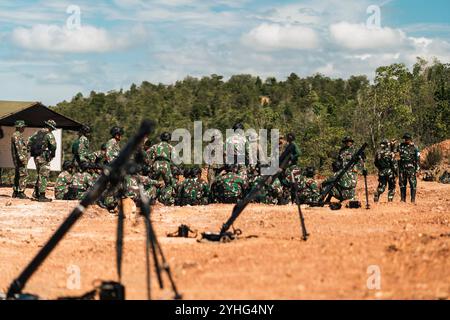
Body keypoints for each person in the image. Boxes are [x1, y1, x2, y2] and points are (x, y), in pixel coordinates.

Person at [28, 120, 57, 202]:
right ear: (50, 127)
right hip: (43, 157)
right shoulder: (49, 134)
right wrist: (52, 154)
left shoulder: (36, 133)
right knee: (44, 176)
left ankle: (36, 193)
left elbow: (29, 143)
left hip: (36, 157)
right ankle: (42, 196)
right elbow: (53, 146)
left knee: (39, 175)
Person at [398, 133, 420, 203]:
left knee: (413, 184)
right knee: (402, 184)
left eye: (407, 139)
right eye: (405, 139)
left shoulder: (415, 147)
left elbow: (418, 159)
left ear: (410, 139)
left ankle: (412, 200)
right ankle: (402, 199)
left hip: (411, 169)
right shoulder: (400, 146)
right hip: (402, 168)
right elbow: (397, 157)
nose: (406, 140)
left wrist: (417, 169)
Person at [11, 120, 29, 199]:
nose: (24, 128)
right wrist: (22, 158)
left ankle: (15, 192)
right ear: (20, 127)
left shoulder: (16, 135)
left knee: (18, 175)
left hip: (18, 159)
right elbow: (19, 148)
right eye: (23, 127)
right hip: (20, 159)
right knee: (24, 175)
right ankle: (21, 192)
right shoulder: (17, 135)